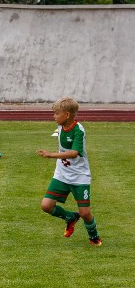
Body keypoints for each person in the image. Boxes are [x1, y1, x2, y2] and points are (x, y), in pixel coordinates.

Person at [37, 97, 101, 246]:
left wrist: (51, 154)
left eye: (56, 113)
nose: (53, 116)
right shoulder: (60, 127)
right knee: (46, 206)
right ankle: (70, 217)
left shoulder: (78, 129)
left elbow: (74, 153)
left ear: (67, 115)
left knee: (85, 213)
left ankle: (94, 236)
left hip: (79, 176)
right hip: (61, 174)